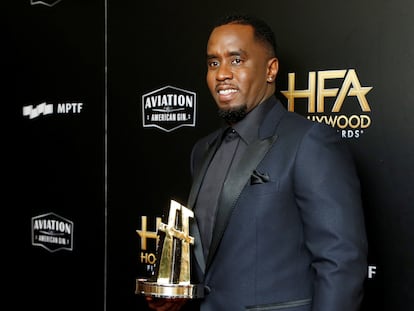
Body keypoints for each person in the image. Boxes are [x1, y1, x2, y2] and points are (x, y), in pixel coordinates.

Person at [146, 13, 368, 311]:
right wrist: (179, 294)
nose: (222, 73)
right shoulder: (202, 150)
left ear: (270, 69)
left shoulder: (309, 142)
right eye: (214, 62)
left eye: (236, 60)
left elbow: (341, 263)